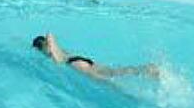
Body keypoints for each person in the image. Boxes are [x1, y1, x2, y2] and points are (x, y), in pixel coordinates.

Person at [32, 33, 160, 80]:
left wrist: (50, 48)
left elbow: (50, 35)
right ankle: (145, 69)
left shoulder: (51, 52)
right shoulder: (60, 49)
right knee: (113, 72)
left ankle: (130, 96)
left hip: (75, 63)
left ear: (41, 47)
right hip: (84, 60)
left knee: (106, 82)